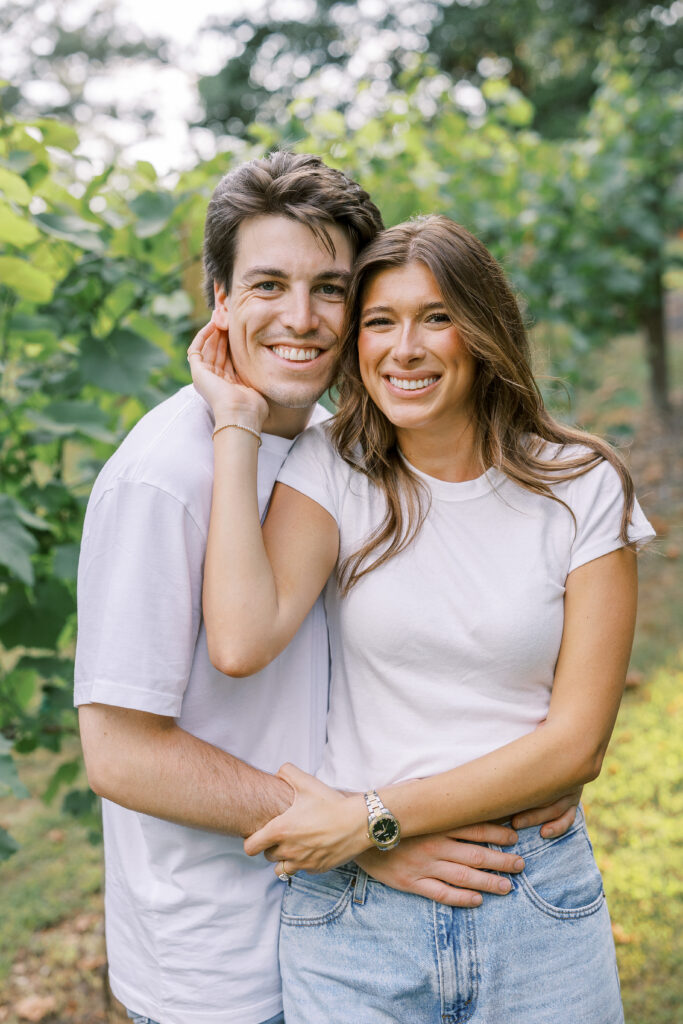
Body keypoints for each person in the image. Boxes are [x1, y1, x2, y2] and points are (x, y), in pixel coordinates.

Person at [75, 157, 577, 1024]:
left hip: (355, 933)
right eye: (268, 284)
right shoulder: (162, 477)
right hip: (223, 963)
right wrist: (361, 835)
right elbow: (120, 752)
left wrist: (509, 767)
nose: (300, 319)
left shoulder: (339, 449)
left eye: (331, 290)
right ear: (220, 300)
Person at [189, 214, 655, 1023]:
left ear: (482, 331)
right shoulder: (331, 467)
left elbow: (576, 744)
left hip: (530, 896)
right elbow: (239, 638)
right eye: (379, 322)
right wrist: (237, 422)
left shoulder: (582, 486)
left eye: (434, 318)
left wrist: (372, 819)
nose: (403, 348)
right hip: (355, 924)